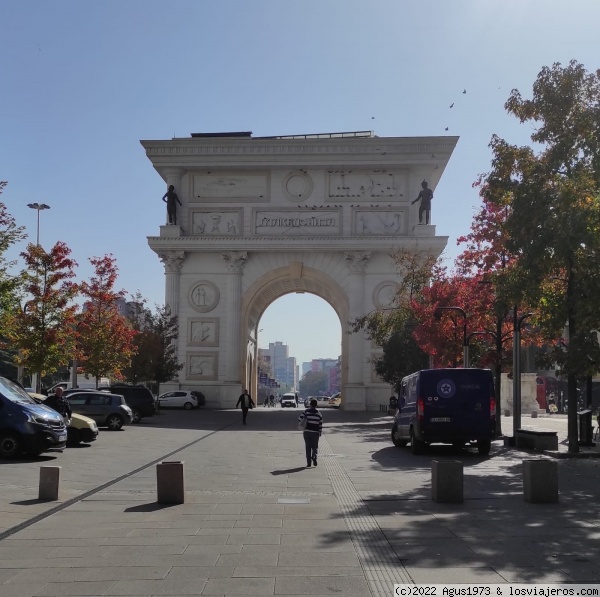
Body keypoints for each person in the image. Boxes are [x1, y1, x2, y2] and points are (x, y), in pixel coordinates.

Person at [298, 398, 323, 468]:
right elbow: (320, 424)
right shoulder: (319, 414)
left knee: (308, 446)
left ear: (310, 404)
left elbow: (299, 419)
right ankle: (314, 456)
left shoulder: (306, 411)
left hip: (307, 432)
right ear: (316, 405)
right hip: (315, 432)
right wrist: (320, 431)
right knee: (315, 446)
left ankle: (309, 463)